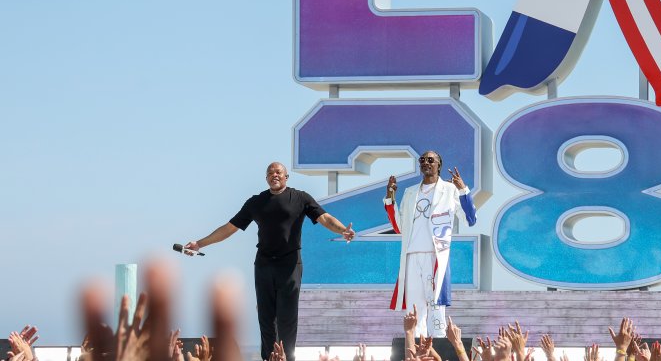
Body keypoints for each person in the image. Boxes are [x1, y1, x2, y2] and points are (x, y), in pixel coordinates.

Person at [183, 162, 355, 361]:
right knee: (266, 318)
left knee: (287, 319)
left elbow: (325, 218)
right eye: (270, 173)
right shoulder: (256, 202)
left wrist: (343, 230)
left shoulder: (300, 198)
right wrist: (200, 244)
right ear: (266, 178)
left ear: (286, 177)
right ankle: (268, 358)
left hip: (290, 265)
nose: (274, 175)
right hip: (264, 265)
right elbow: (229, 228)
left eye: (278, 172)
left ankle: (287, 358)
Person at [383, 150, 477, 337]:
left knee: (436, 308)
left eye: (430, 160)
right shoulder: (410, 192)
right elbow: (399, 226)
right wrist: (390, 198)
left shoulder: (449, 190)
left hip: (435, 255)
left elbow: (470, 219)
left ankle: (439, 349)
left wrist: (463, 190)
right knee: (414, 308)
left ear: (438, 165)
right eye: (422, 160)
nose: (426, 162)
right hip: (411, 256)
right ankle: (415, 350)